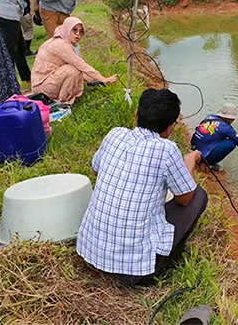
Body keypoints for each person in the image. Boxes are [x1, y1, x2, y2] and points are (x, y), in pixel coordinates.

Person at [77, 88, 208, 285]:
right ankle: (169, 260)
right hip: (137, 270)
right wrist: (190, 161)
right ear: (170, 128)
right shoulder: (167, 150)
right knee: (198, 196)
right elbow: (185, 198)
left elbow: (96, 170)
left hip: (91, 252)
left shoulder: (115, 134)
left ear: (136, 114)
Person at [31, 17, 117, 104]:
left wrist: (95, 80)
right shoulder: (61, 44)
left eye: (81, 32)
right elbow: (80, 64)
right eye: (74, 30)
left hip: (45, 84)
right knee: (73, 70)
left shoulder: (63, 41)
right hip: (42, 88)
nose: (78, 34)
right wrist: (102, 78)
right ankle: (63, 103)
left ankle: (58, 100)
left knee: (74, 69)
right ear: (67, 29)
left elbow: (81, 68)